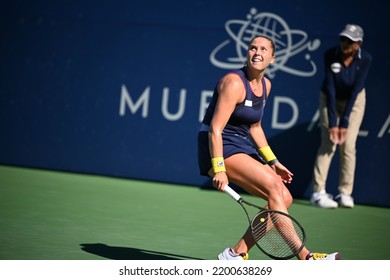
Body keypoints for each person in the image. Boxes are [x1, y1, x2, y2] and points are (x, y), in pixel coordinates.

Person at [197, 35, 340, 260]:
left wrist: (274, 161)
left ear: (272, 58)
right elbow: (215, 129)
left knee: (285, 196)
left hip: (241, 143)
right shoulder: (234, 83)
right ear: (247, 53)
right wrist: (219, 168)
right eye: (253, 48)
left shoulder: (266, 85)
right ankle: (307, 258)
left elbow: (255, 127)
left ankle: (235, 254)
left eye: (263, 50)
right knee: (274, 187)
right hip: (218, 145)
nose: (257, 53)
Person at [310, 24, 372, 209]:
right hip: (330, 98)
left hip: (355, 100)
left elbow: (355, 90)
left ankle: (345, 193)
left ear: (358, 44)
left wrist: (343, 122)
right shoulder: (331, 54)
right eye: (343, 39)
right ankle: (318, 192)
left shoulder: (366, 59)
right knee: (328, 142)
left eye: (350, 41)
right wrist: (333, 123)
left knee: (348, 145)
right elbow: (329, 89)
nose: (345, 43)